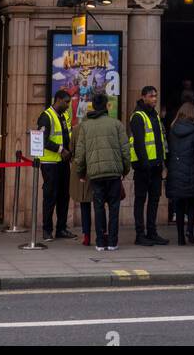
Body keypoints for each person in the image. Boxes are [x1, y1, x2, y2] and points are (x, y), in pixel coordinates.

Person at [72, 90, 130, 252]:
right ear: (106, 106)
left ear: (93, 106)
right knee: (114, 207)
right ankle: (112, 241)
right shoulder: (117, 124)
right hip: (113, 173)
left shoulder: (85, 126)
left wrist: (81, 173)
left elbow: (80, 153)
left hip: (95, 174)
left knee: (98, 208)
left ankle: (99, 242)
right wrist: (125, 170)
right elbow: (125, 150)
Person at [129, 85, 169, 246]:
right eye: (151, 96)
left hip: (156, 165)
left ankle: (152, 232)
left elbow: (159, 141)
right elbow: (139, 143)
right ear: (143, 97)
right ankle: (140, 234)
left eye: (156, 96)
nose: (154, 99)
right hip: (143, 167)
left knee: (154, 199)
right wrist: (145, 164)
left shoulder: (155, 115)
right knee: (140, 200)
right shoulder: (138, 116)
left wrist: (163, 162)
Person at [37, 88, 75, 241]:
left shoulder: (64, 115)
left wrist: (70, 151)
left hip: (63, 163)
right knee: (50, 196)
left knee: (64, 196)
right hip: (50, 163)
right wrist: (61, 150)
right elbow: (43, 140)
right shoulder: (46, 116)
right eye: (66, 102)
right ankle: (47, 230)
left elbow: (67, 136)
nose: (68, 105)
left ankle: (61, 228)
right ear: (58, 100)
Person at [166, 101, 194, 245]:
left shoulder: (172, 129)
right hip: (191, 169)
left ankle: (180, 237)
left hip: (176, 169)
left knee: (179, 205)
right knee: (191, 203)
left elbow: (169, 150)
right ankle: (190, 230)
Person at [68, 135, 93, 246]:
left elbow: (73, 150)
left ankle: (87, 236)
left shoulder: (78, 128)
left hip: (84, 169)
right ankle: (104, 235)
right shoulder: (112, 125)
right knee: (100, 203)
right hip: (98, 168)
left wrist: (79, 173)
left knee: (85, 202)